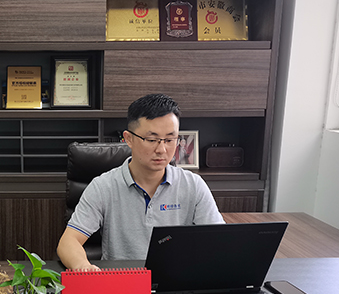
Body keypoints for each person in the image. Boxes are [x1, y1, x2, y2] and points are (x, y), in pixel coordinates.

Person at [56, 93, 224, 271]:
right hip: (122, 280)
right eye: (151, 140)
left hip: (176, 280)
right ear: (129, 139)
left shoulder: (193, 185)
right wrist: (83, 267)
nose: (162, 149)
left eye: (170, 140)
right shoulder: (103, 186)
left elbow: (220, 242)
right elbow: (68, 242)